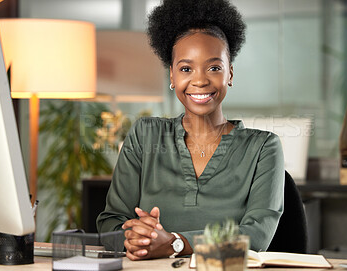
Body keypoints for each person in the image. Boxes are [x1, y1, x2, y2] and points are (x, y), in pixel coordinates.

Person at [96, 0, 285, 261]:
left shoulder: (263, 147)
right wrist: (136, 237)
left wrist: (176, 243)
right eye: (186, 69)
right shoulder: (144, 135)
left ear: (229, 74)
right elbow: (111, 222)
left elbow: (256, 237)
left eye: (214, 68)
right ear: (172, 76)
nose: (199, 80)